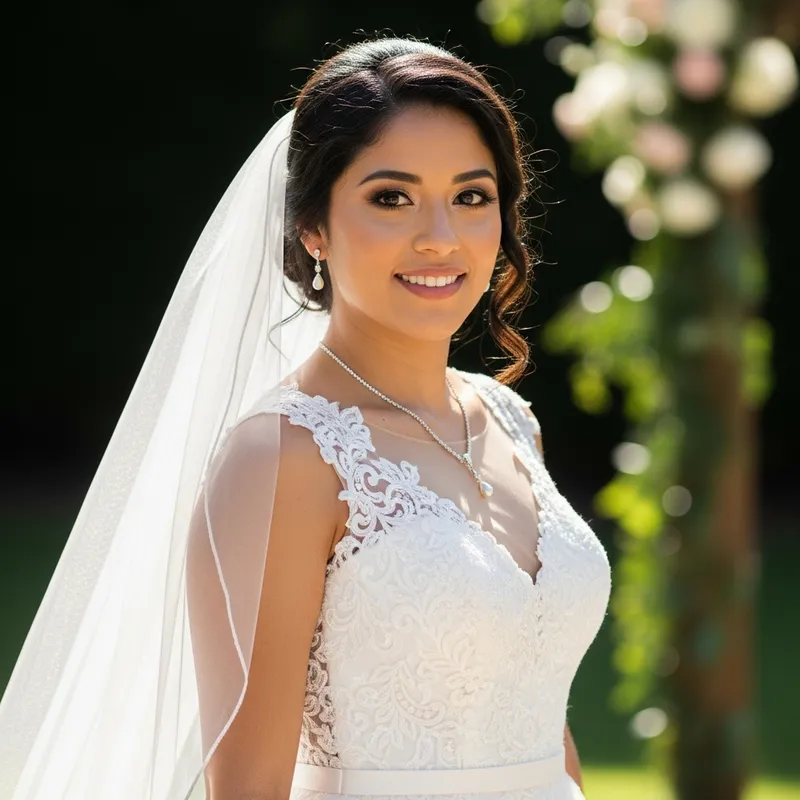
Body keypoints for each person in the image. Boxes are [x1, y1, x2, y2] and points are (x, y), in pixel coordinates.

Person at [0, 37, 611, 800]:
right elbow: (248, 785)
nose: (441, 237)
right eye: (391, 198)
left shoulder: (511, 420)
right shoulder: (284, 456)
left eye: (471, 196)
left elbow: (545, 732)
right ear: (312, 226)